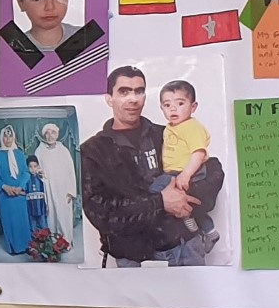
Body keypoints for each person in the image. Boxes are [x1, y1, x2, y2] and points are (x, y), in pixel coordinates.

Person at [80, 66, 221, 267]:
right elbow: (101, 214)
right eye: (124, 92)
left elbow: (213, 170)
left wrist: (183, 196)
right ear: (109, 98)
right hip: (133, 257)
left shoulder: (168, 133)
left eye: (139, 91)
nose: (133, 99)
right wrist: (160, 203)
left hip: (186, 248)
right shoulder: (92, 151)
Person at [156, 79, 219, 252]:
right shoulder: (171, 127)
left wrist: (186, 175)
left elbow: (198, 153)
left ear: (193, 107)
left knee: (156, 190)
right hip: (175, 172)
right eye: (167, 105)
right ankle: (209, 231)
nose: (173, 109)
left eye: (180, 103)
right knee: (185, 204)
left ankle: (195, 227)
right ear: (161, 108)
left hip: (188, 172)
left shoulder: (191, 127)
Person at [32, 120, 80, 252]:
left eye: (53, 132)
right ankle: (54, 242)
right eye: (47, 133)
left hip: (63, 189)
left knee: (64, 215)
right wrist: (39, 174)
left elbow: (71, 171)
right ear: (44, 135)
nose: (50, 136)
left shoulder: (63, 150)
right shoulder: (39, 151)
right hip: (48, 189)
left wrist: (71, 191)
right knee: (51, 215)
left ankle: (66, 241)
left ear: (57, 134)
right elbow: (36, 169)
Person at [0, 126, 34, 256]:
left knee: (22, 220)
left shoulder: (20, 154)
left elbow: (25, 172)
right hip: (5, 195)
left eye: (10, 136)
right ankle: (13, 248)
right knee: (9, 221)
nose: (8, 139)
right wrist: (5, 187)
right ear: (1, 138)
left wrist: (20, 187)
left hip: (20, 194)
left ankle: (26, 246)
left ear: (14, 137)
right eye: (5, 136)